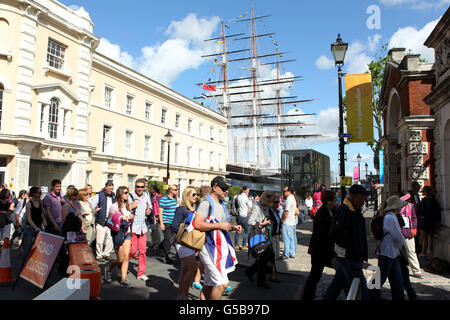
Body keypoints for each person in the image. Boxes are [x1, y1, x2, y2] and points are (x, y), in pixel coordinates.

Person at [193, 176, 242, 300]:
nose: (226, 191)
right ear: (214, 187)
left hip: (217, 247)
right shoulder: (206, 203)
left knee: (209, 285)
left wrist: (233, 227)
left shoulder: (221, 203)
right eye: (224, 188)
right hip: (207, 247)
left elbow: (221, 225)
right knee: (222, 284)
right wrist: (219, 225)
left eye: (227, 189)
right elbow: (197, 224)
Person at [324, 184, 369, 300]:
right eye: (361, 197)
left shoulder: (355, 210)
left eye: (364, 197)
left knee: (337, 284)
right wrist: (352, 248)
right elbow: (335, 234)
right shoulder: (344, 211)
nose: (363, 200)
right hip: (348, 257)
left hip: (351, 256)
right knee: (361, 289)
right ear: (353, 197)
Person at [302, 190, 337, 300]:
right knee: (315, 276)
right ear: (328, 201)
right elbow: (322, 236)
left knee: (316, 276)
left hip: (326, 250)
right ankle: (307, 297)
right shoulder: (322, 214)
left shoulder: (332, 211)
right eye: (335, 199)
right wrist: (332, 256)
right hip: (320, 251)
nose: (337, 200)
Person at [372, 195, 408, 300]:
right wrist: (402, 244)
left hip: (391, 252)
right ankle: (370, 294)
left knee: (396, 278)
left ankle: (398, 297)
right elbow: (397, 236)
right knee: (381, 278)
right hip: (388, 252)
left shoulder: (388, 216)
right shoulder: (391, 218)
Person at [171, 186, 199, 300]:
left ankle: (181, 294)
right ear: (186, 196)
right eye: (193, 194)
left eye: (196, 194)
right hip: (183, 243)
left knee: (185, 269)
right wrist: (186, 229)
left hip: (192, 242)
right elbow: (174, 226)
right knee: (192, 269)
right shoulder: (181, 209)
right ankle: (184, 295)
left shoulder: (194, 209)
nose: (196, 197)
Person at [245, 191, 277, 289]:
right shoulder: (257, 207)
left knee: (270, 255)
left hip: (265, 236)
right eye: (272, 199)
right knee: (263, 258)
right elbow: (250, 221)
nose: (274, 200)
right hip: (259, 236)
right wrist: (262, 224)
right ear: (267, 198)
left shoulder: (266, 207)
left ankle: (250, 271)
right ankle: (261, 281)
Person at [104, 186, 134, 287]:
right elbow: (109, 220)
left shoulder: (128, 206)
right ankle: (108, 269)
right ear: (120, 193)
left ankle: (123, 279)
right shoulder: (114, 206)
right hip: (118, 234)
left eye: (128, 193)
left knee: (126, 258)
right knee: (120, 259)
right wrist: (120, 218)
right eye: (125, 192)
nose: (127, 194)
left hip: (127, 233)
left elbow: (131, 218)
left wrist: (131, 217)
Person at [128, 178, 151, 281]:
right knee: (132, 251)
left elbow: (149, 206)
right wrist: (130, 207)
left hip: (143, 227)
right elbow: (124, 209)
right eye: (137, 186)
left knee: (142, 251)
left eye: (141, 187)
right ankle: (121, 265)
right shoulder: (130, 195)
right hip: (133, 227)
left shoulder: (146, 195)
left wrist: (149, 210)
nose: (139, 189)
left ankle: (141, 273)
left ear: (144, 187)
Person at [20, 187, 47, 268]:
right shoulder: (29, 204)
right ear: (34, 193)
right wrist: (35, 227)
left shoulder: (40, 202)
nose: (40, 194)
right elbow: (29, 218)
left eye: (40, 193)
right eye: (39, 193)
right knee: (27, 248)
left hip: (38, 226)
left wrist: (44, 220)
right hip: (30, 228)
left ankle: (33, 266)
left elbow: (41, 212)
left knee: (38, 248)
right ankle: (23, 267)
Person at [400, 192, 423, 279]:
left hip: (408, 232)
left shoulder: (411, 206)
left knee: (411, 251)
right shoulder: (396, 206)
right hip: (398, 232)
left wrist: (414, 230)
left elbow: (414, 219)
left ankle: (416, 270)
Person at [92, 181, 116, 262]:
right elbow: (92, 206)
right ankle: (99, 255)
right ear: (105, 187)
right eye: (110, 189)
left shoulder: (113, 195)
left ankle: (107, 253)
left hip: (110, 220)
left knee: (110, 238)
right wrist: (96, 210)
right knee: (100, 239)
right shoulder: (99, 195)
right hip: (101, 220)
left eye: (112, 189)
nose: (111, 190)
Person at [417, 186, 441, 259]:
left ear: (425, 192)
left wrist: (419, 208)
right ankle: (424, 253)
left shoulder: (425, 201)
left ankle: (423, 253)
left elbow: (423, 211)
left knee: (424, 239)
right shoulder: (434, 200)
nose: (422, 192)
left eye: (423, 191)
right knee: (425, 239)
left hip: (425, 222)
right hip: (431, 221)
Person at [158, 185, 179, 264]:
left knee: (171, 238)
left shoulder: (175, 199)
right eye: (175, 190)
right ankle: (166, 256)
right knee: (167, 238)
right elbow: (160, 212)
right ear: (170, 191)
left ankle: (161, 246)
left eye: (177, 190)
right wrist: (162, 223)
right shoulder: (163, 199)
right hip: (166, 221)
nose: (177, 191)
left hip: (173, 222)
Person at [281, 186, 297, 259]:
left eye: (285, 191)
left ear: (289, 191)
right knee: (291, 238)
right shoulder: (293, 198)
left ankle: (286, 254)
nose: (284, 192)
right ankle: (292, 252)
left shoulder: (289, 199)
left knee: (286, 238)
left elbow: (286, 211)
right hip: (292, 221)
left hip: (287, 222)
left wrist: (283, 220)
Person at [234, 186, 252, 251]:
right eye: (247, 190)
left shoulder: (238, 197)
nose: (248, 192)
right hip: (243, 215)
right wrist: (250, 199)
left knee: (238, 229)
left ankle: (236, 245)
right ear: (244, 190)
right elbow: (250, 205)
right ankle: (244, 245)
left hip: (238, 215)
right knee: (247, 230)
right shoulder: (245, 197)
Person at [269, 194, 282, 265]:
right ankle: (274, 257)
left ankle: (277, 256)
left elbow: (278, 220)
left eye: (278, 202)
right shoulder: (270, 210)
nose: (278, 204)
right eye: (276, 202)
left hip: (277, 230)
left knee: (277, 243)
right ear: (272, 203)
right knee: (273, 244)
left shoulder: (276, 210)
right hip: (272, 231)